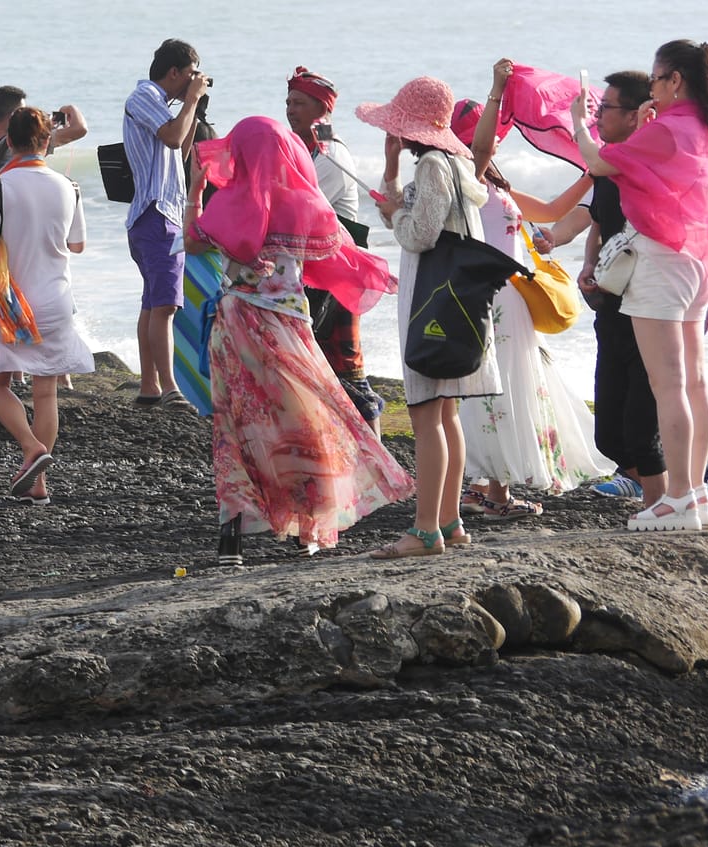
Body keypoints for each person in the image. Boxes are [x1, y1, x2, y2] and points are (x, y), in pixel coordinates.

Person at [571, 40, 708, 531]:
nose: (654, 87)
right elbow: (655, 171)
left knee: (668, 386)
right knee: (695, 383)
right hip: (699, 262)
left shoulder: (666, 129)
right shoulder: (707, 128)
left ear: (676, 80)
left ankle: (676, 498)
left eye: (658, 79)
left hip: (661, 264)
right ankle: (696, 495)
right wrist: (650, 122)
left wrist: (579, 119)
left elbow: (601, 161)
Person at [187, 119, 411, 562]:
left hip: (237, 324)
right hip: (290, 326)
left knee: (235, 429)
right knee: (305, 423)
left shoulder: (230, 201)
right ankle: (307, 528)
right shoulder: (305, 204)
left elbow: (193, 243)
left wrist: (196, 191)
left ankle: (230, 536)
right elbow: (332, 253)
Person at [455, 60, 610, 514]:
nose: (492, 139)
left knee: (506, 383)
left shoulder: (494, 185)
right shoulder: (467, 181)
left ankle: (488, 487)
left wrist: (592, 171)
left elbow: (551, 210)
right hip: (493, 297)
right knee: (498, 386)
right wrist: (497, 91)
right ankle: (491, 490)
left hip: (511, 295)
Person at [358, 76, 500, 559]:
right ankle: (449, 520)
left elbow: (417, 233)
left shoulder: (436, 166)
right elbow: (401, 214)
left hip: (429, 301)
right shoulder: (457, 165)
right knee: (446, 414)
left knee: (425, 416)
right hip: (452, 301)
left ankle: (424, 531)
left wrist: (398, 214)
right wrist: (392, 169)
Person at [544, 71, 667, 506]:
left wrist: (577, 121)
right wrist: (587, 262)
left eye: (606, 108)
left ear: (636, 116)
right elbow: (595, 218)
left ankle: (658, 489)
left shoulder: (643, 158)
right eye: (597, 108)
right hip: (610, 298)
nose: (598, 115)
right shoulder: (608, 163)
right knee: (609, 424)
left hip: (649, 299)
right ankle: (640, 476)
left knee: (642, 408)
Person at [0, 107, 92, 501]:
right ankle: (38, 483)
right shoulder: (68, 185)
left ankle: (30, 446)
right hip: (56, 300)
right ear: (46, 141)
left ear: (8, 141)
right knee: (46, 394)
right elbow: (77, 245)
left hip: (14, 304)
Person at [282, 68, 381, 426]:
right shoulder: (303, 148)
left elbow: (297, 210)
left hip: (339, 274)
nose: (290, 110)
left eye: (299, 103)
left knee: (349, 372)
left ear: (321, 110)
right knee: (318, 370)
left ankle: (378, 460)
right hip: (314, 271)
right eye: (288, 102)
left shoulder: (331, 155)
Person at [123, 40, 208, 405]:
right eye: (189, 75)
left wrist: (193, 108)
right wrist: (190, 100)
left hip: (156, 215)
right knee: (165, 307)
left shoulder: (158, 106)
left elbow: (180, 150)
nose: (191, 83)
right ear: (174, 72)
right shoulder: (144, 96)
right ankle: (170, 388)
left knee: (152, 304)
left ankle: (149, 387)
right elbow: (172, 137)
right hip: (156, 214)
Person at [0, 88, 87, 193]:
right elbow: (80, 129)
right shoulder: (24, 141)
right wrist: (70, 108)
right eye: (22, 111)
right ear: (14, 115)